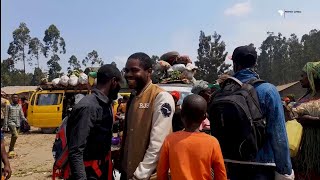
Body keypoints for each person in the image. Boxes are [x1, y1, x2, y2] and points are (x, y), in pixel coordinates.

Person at [228, 45, 294, 179]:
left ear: (235, 65)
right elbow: (278, 134)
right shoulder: (268, 90)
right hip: (262, 166)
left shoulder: (225, 91)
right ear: (255, 63)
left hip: (232, 164)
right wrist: (285, 169)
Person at [120, 52, 175, 180]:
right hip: (127, 172)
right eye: (126, 70)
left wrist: (140, 174)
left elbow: (158, 143)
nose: (128, 74)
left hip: (147, 176)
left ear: (149, 72)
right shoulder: (133, 97)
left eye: (134, 70)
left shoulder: (161, 97)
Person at [66, 64, 122, 180]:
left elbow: (98, 129)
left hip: (101, 170)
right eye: (119, 83)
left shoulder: (104, 104)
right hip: (89, 173)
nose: (120, 87)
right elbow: (76, 151)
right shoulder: (89, 107)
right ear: (113, 81)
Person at [157, 94, 227, 180]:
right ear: (204, 117)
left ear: (181, 115)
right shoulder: (212, 142)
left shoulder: (170, 140)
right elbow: (221, 174)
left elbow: (161, 172)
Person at [292, 61, 320, 179]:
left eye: (303, 75)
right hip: (302, 152)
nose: (300, 79)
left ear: (313, 76)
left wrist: (307, 119)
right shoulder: (305, 97)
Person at [4, 94, 27, 158]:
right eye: (13, 97)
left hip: (18, 123)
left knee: (15, 137)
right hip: (11, 122)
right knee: (15, 135)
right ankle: (11, 149)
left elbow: (22, 115)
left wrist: (26, 120)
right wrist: (5, 126)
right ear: (11, 99)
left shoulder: (19, 106)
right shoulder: (8, 106)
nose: (15, 99)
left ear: (18, 99)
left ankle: (11, 150)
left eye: (16, 97)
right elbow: (6, 116)